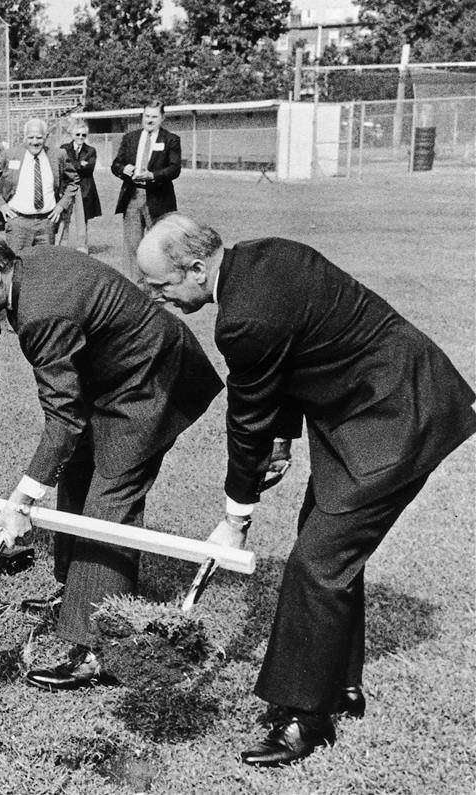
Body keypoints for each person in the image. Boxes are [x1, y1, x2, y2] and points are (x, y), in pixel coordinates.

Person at [136, 215, 476, 767]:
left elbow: (247, 419)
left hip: (395, 416)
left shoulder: (242, 319)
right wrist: (286, 439)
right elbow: (295, 350)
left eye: (162, 285)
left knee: (316, 564)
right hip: (364, 408)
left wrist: (237, 515)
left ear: (197, 269)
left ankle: (302, 718)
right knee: (322, 546)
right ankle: (340, 685)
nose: (156, 297)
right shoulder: (268, 255)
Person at [0, 231, 222, 691]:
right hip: (111, 376)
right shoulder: (25, 266)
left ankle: (92, 646)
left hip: (152, 381)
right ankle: (73, 591)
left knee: (109, 499)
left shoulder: (41, 312)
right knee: (76, 472)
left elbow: (62, 420)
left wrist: (23, 498)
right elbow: (69, 422)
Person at [0, 117, 84, 253]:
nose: (35, 142)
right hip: (18, 222)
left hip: (46, 223)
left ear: (46, 137)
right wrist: (2, 205)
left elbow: (74, 181)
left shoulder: (58, 155)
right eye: (31, 137)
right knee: (17, 266)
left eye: (39, 138)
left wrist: (61, 205)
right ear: (24, 137)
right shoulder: (10, 155)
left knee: (45, 267)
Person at [110, 102, 181, 284]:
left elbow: (174, 169)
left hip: (158, 199)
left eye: (154, 117)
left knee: (160, 244)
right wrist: (123, 169)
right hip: (132, 198)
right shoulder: (130, 138)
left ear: (162, 118)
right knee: (133, 245)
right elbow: (116, 164)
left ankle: (162, 283)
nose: (150, 120)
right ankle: (137, 285)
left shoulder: (171, 140)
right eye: (147, 116)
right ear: (142, 117)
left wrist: (152, 175)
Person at [59, 120, 100, 251]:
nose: (80, 137)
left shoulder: (91, 150)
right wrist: (79, 164)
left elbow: (89, 168)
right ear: (72, 135)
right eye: (78, 134)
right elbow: (62, 166)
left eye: (83, 135)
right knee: (63, 218)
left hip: (84, 188)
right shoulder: (64, 148)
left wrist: (73, 164)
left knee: (82, 219)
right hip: (67, 187)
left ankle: (82, 246)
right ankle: (62, 244)